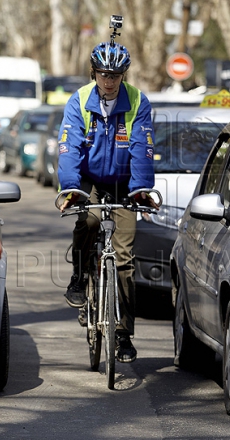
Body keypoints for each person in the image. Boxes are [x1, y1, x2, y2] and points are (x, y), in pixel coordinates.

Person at [57, 39, 158, 363]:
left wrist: (141, 188)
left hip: (125, 182)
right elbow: (69, 146)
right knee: (88, 220)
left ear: (123, 75)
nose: (109, 81)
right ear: (94, 73)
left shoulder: (138, 101)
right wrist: (71, 188)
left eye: (115, 75)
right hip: (89, 179)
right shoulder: (80, 99)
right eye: (103, 74)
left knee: (125, 258)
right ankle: (80, 276)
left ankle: (123, 335)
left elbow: (142, 147)